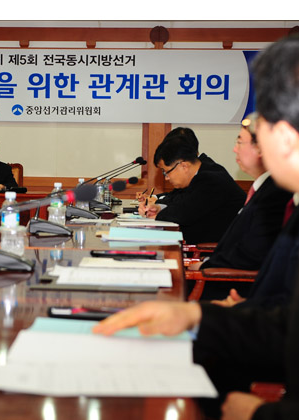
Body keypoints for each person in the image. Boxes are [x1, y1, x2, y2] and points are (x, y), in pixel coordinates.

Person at [94, 34, 299, 420]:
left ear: (285, 135)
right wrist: (201, 316)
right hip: (246, 308)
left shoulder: (253, 189)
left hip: (233, 293)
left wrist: (259, 414)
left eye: (258, 124)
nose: (243, 144)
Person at [189, 116, 292, 273]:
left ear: (260, 148)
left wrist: (206, 266)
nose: (234, 149)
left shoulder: (277, 194)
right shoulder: (263, 188)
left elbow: (254, 253)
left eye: (239, 142)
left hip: (231, 281)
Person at [141, 135, 246, 244]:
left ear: (184, 166)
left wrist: (158, 215)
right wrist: (158, 208)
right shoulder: (200, 173)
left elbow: (183, 213)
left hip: (223, 247)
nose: (166, 178)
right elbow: (179, 202)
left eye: (166, 172)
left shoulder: (211, 179)